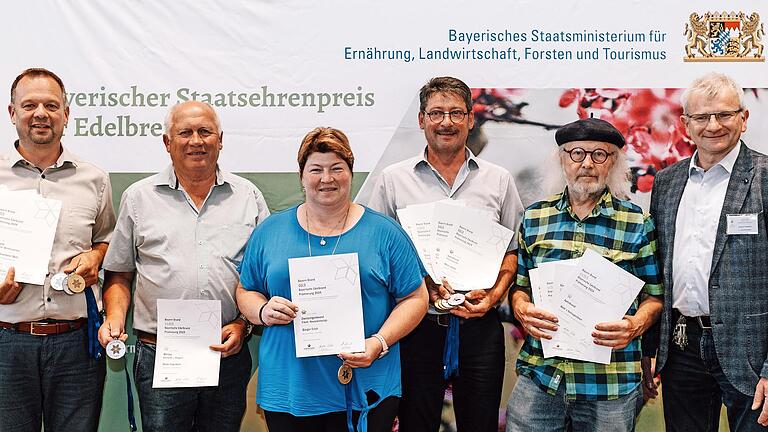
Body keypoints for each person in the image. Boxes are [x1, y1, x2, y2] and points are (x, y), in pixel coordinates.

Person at [236, 127, 428, 432]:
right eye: (316, 169)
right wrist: (262, 311)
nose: (327, 179)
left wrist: (380, 342)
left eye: (337, 168)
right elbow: (246, 290)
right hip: (289, 388)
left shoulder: (385, 233)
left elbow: (416, 298)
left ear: (350, 173)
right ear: (301, 176)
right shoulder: (270, 231)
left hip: (367, 387)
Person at [364, 76, 524, 432]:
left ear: (470, 119)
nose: (446, 122)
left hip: (480, 326)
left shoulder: (499, 180)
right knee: (416, 424)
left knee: (479, 424)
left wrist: (494, 297)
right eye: (436, 113)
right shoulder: (394, 180)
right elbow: (378, 254)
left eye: (455, 113)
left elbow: (512, 253)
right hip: (417, 326)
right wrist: (420, 285)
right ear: (421, 120)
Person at [98, 101, 270, 431]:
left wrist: (242, 325)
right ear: (167, 142)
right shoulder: (138, 198)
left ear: (220, 140)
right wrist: (116, 319)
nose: (196, 140)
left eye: (205, 132)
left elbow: (262, 276)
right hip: (162, 354)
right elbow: (119, 272)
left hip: (227, 352)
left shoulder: (248, 197)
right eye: (185, 132)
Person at [507, 118, 663, 432]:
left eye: (599, 155)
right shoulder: (535, 217)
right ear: (562, 159)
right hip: (541, 375)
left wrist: (634, 325)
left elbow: (655, 297)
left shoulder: (637, 222)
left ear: (614, 163)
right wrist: (522, 309)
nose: (587, 163)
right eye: (577, 153)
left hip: (610, 383)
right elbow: (520, 287)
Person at [644, 72, 768, 431]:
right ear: (685, 125)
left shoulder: (764, 177)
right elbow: (657, 271)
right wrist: (651, 348)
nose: (713, 125)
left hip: (752, 351)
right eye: (701, 117)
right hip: (682, 347)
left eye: (724, 114)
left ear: (743, 119)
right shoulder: (667, 182)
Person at [0, 67, 116, 432]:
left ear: (66, 114)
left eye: (51, 105)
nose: (41, 114)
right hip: (7, 341)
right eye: (29, 104)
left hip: (75, 344)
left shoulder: (94, 179)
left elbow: (108, 240)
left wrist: (96, 256)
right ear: (12, 112)